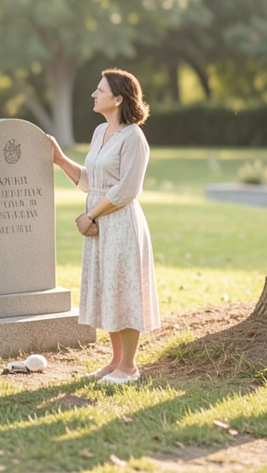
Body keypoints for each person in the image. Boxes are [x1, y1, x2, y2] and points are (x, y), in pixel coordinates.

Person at [50, 69, 160, 384]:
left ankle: (130, 367)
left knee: (124, 290)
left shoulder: (134, 137)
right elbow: (91, 182)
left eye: (100, 90)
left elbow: (127, 190)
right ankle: (115, 362)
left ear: (118, 99)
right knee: (107, 289)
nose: (93, 94)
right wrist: (60, 159)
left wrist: (90, 216)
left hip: (122, 224)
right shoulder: (100, 132)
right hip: (100, 225)